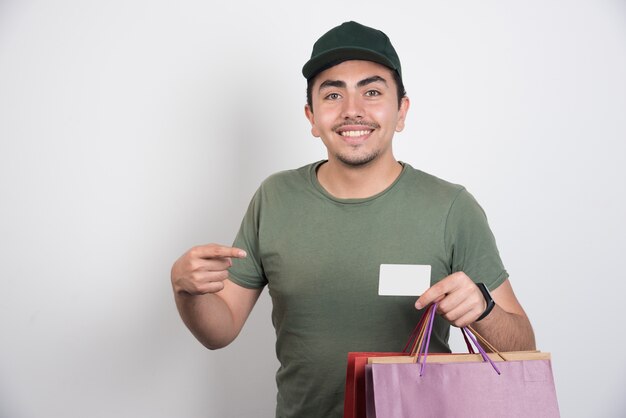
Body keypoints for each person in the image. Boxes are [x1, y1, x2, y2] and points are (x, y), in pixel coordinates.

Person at [171, 21, 535, 418]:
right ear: (312, 117)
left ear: (402, 111)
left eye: (373, 92)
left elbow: (522, 350)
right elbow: (219, 330)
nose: (352, 111)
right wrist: (187, 291)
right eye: (332, 94)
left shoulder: (452, 207)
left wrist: (483, 309)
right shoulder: (274, 198)